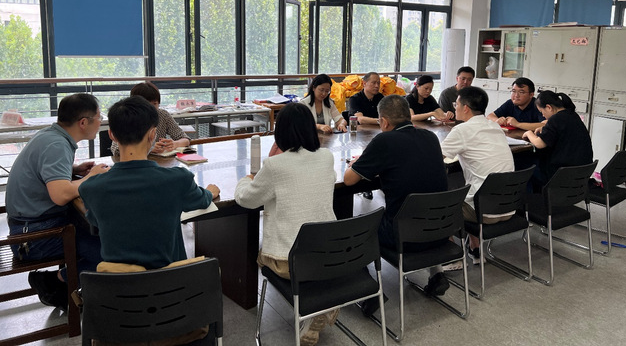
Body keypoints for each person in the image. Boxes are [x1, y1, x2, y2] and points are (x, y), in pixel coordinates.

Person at [235, 102, 337, 346]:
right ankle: (320, 305)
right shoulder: (326, 157)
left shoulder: (275, 165)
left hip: (287, 261)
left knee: (261, 257)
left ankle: (314, 307)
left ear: (279, 132)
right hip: (331, 254)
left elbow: (247, 199)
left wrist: (245, 180)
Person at [80, 96, 219, 269]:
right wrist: (210, 192)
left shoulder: (91, 188)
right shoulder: (178, 180)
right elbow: (202, 199)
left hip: (118, 284)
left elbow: (95, 221)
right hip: (172, 282)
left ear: (111, 135)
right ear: (153, 134)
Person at [5, 93, 110, 310]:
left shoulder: (51, 135)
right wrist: (91, 177)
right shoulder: (56, 145)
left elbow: (44, 173)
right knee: (109, 252)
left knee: (99, 232)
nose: (101, 121)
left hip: (30, 224)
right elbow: (60, 195)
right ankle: (54, 281)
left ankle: (66, 285)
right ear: (83, 122)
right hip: (33, 237)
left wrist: (73, 170)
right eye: (99, 117)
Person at [343, 95, 450, 307]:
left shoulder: (384, 141)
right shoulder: (429, 137)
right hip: (440, 230)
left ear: (383, 121)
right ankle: (437, 274)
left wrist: (362, 162)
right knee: (420, 208)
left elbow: (349, 180)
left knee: (354, 229)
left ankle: (368, 291)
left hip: (403, 235)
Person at [440, 86, 515, 264]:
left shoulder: (462, 130)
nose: (455, 107)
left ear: (465, 108)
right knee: (470, 188)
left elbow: (436, 159)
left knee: (441, 203)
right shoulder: (495, 126)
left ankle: (451, 258)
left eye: (456, 104)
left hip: (483, 212)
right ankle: (475, 248)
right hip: (509, 206)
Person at [522, 90, 593, 191]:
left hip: (562, 174)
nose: (543, 115)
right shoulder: (571, 114)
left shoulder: (555, 119)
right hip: (580, 172)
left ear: (549, 107)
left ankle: (531, 198)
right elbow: (562, 131)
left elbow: (539, 143)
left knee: (526, 165)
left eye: (542, 112)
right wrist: (545, 128)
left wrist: (529, 133)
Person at [111, 81, 190, 156]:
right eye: (146, 104)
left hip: (161, 162)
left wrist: (175, 144)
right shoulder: (128, 118)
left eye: (155, 104)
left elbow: (185, 139)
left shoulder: (163, 115)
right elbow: (116, 149)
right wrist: (148, 148)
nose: (151, 109)